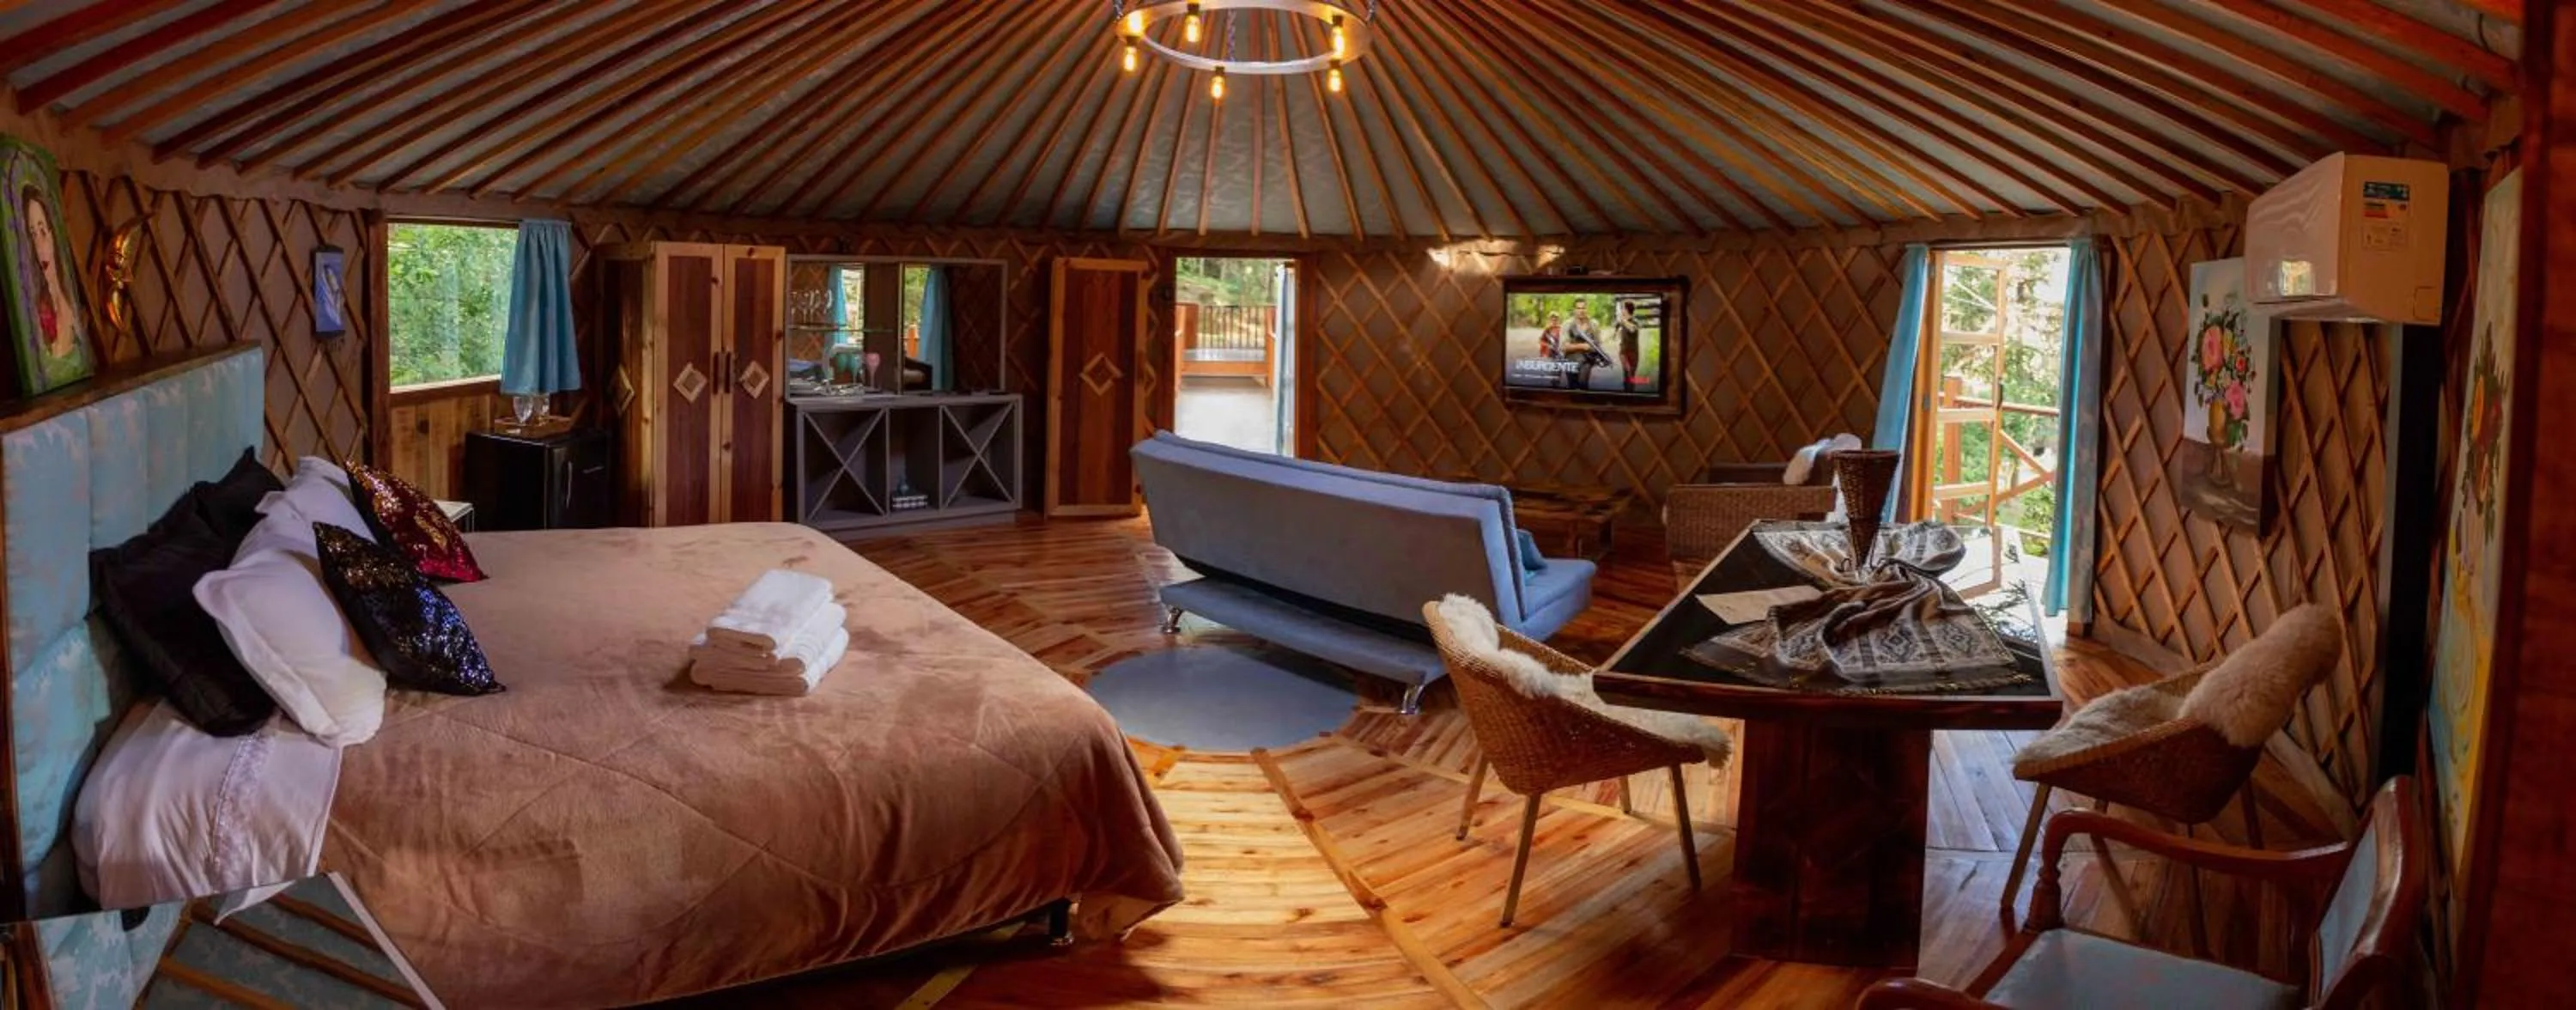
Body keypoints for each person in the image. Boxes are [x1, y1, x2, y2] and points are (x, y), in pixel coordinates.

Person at [19, 186, 82, 362]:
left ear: (52, 235)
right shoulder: (39, 309)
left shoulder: (69, 297)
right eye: (32, 235)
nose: (39, 246)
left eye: (42, 231)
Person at [1563, 301, 1609, 392]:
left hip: (1587, 359)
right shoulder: (1567, 324)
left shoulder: (1593, 324)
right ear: (1574, 310)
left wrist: (1600, 355)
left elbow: (1598, 343)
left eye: (1583, 308)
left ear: (1587, 309)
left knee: (1583, 383)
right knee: (1572, 386)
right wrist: (1582, 346)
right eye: (1578, 308)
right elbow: (1564, 347)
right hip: (1570, 359)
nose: (1581, 311)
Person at [1611, 300, 1643, 388]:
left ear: (1627, 309)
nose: (1622, 310)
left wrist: (1623, 320)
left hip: (1633, 352)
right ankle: (1627, 389)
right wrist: (1615, 333)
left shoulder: (1635, 322)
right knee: (1628, 372)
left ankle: (1630, 392)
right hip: (1623, 352)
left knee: (1631, 376)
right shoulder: (1621, 322)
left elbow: (1632, 329)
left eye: (1623, 308)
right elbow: (1615, 332)